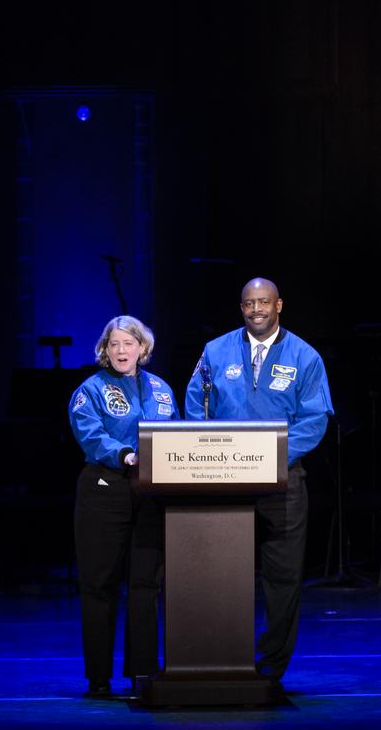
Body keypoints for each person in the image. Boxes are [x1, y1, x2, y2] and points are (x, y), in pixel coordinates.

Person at [185, 277, 332, 686]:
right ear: (241, 307)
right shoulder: (216, 350)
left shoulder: (304, 356)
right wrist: (209, 451)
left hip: (282, 481)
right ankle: (219, 653)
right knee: (219, 571)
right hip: (224, 480)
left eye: (264, 302)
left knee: (282, 578)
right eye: (249, 303)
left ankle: (271, 665)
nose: (256, 310)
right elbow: (196, 403)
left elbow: (315, 419)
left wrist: (272, 459)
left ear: (279, 305)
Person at [68, 314, 178, 698]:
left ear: (142, 348)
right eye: (113, 344)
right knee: (99, 586)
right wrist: (126, 454)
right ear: (104, 350)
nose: (120, 350)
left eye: (128, 343)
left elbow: (174, 435)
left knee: (145, 584)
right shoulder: (91, 390)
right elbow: (91, 436)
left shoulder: (162, 390)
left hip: (150, 496)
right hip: (105, 490)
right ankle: (99, 678)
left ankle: (142, 673)